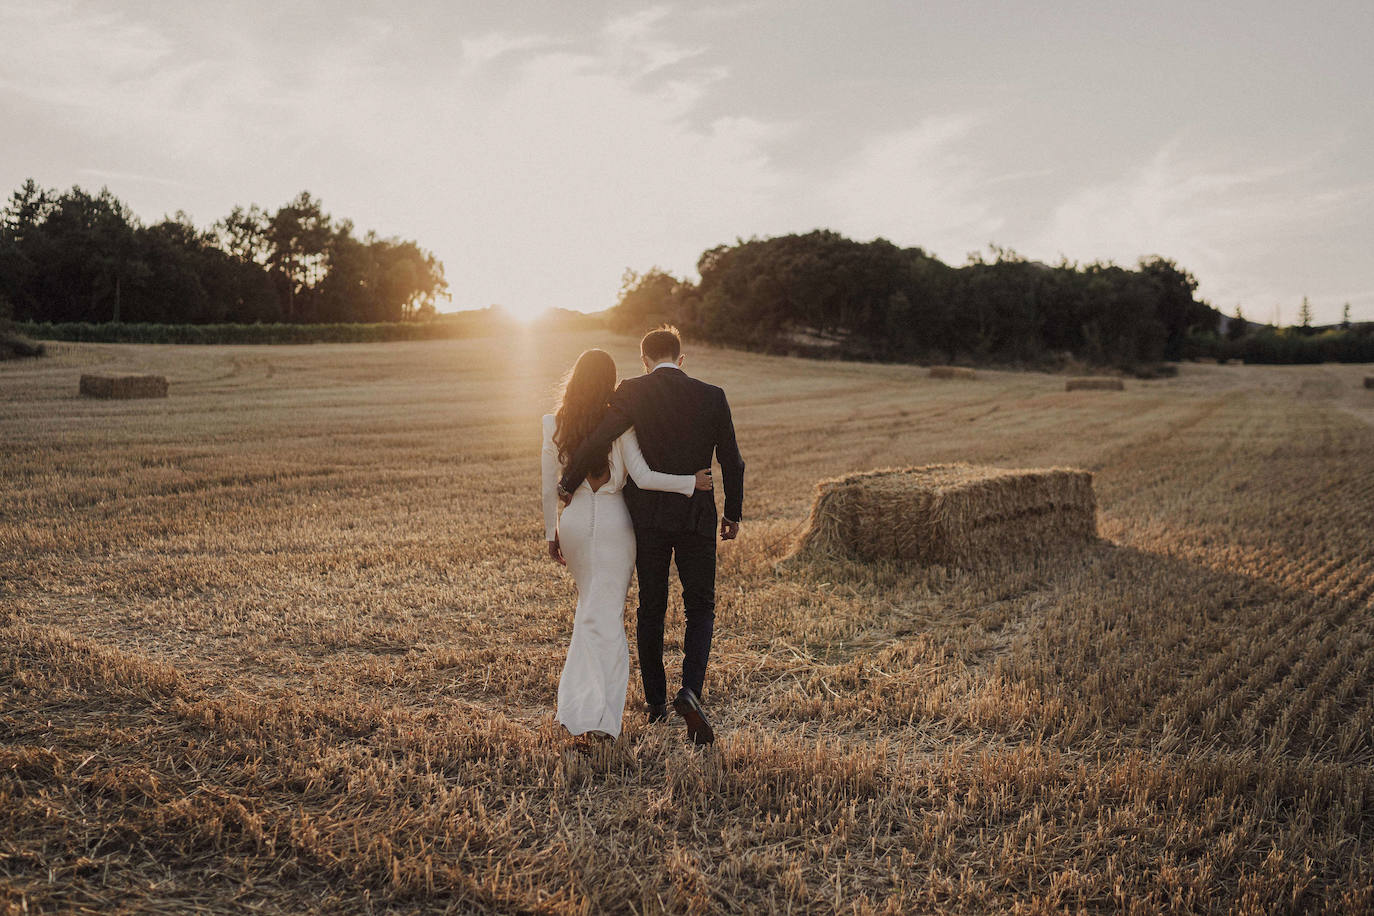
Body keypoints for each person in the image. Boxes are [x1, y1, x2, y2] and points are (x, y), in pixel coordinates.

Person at [558, 326, 745, 745]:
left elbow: (599, 438)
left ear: (644, 360)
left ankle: (656, 703)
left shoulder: (632, 391)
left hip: (650, 521)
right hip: (697, 516)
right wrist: (732, 512)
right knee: (701, 606)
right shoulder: (712, 395)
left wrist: (568, 481)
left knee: (651, 607)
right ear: (681, 359)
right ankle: (691, 692)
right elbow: (733, 461)